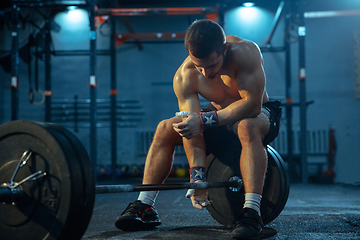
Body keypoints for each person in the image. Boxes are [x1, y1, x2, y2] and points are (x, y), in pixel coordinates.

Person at [114, 19, 282, 240]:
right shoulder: (184, 75)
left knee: (246, 126)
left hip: (257, 115)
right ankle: (144, 206)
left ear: (224, 49)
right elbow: (192, 130)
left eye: (211, 65)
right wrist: (198, 178)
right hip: (218, 116)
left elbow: (252, 105)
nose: (205, 71)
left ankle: (251, 213)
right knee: (166, 128)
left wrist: (204, 120)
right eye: (199, 65)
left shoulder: (245, 52)